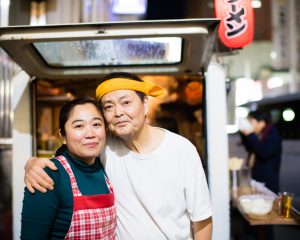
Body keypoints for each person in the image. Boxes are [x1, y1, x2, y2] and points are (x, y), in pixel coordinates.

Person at [24, 72, 213, 240]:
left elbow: (202, 220)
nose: (118, 113)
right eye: (108, 106)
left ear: (145, 104)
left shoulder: (181, 150)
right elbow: (73, 153)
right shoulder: (105, 148)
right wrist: (33, 164)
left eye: (126, 102)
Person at [21, 97, 116, 239]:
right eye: (79, 126)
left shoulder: (106, 166)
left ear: (105, 130)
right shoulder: (48, 175)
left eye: (96, 124)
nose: (90, 134)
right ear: (63, 136)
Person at [239, 110, 282, 193]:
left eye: (251, 121)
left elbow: (264, 153)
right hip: (257, 179)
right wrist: (244, 134)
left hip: (268, 182)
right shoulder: (258, 134)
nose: (249, 124)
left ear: (261, 122)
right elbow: (249, 148)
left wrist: (250, 135)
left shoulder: (272, 134)